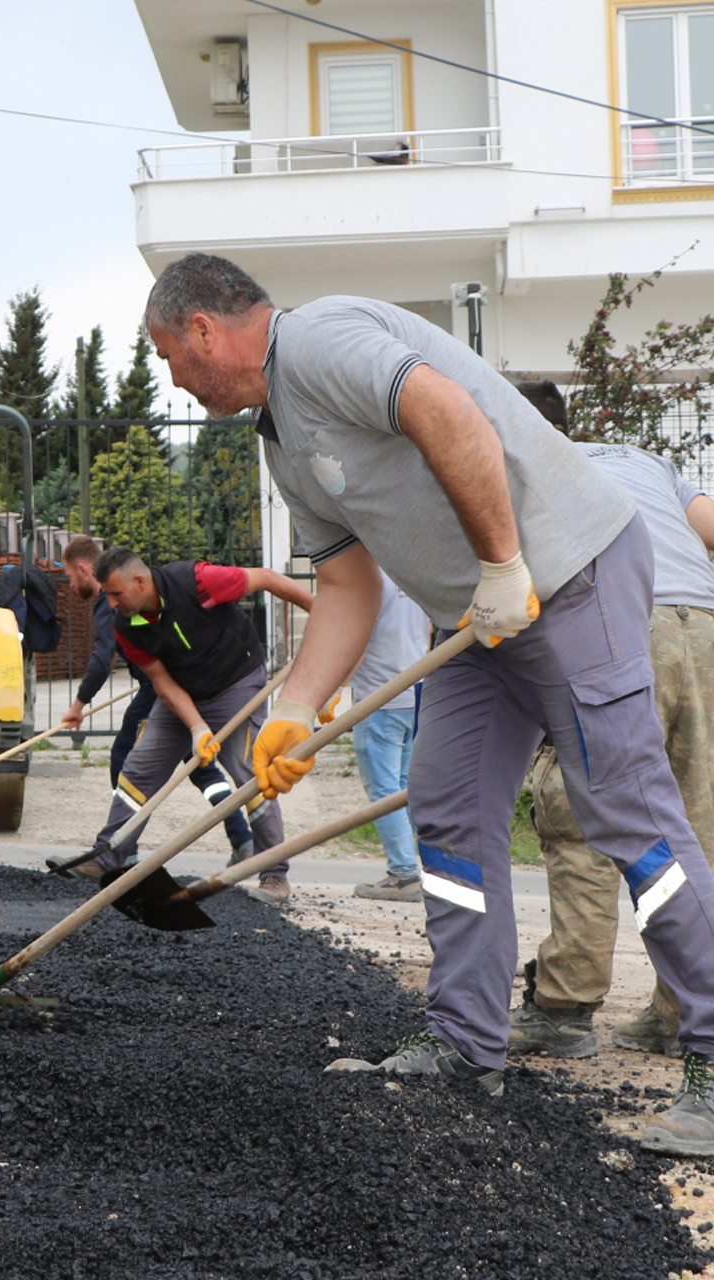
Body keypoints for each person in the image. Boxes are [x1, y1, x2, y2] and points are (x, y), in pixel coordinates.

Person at [143, 252, 714, 1154]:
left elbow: (448, 411)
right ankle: (465, 1042)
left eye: (170, 357)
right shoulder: (281, 433)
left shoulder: (321, 339)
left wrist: (501, 564)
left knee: (625, 810)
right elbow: (345, 581)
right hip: (480, 617)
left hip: (567, 574)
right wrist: (296, 708)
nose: (175, 378)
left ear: (202, 330)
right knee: (447, 816)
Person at [506, 382, 714, 1061]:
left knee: (579, 814)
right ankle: (683, 1011)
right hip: (705, 628)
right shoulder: (643, 460)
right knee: (692, 824)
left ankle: (564, 1008)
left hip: (622, 622)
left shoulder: (521, 467)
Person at [53, 544, 313, 905]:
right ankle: (107, 857)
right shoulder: (127, 625)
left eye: (115, 594)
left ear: (140, 582)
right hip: (182, 690)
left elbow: (267, 578)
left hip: (236, 682)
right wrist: (196, 727)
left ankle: (274, 875)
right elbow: (162, 681)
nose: (111, 604)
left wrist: (321, 615)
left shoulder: (199, 581)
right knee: (139, 769)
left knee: (250, 772)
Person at [54, 534, 255, 874]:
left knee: (126, 757)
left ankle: (121, 851)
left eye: (71, 576)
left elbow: (103, 659)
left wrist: (78, 704)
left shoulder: (111, 602)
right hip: (163, 684)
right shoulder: (123, 596)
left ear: (84, 568)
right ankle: (241, 837)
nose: (72, 584)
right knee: (200, 761)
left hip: (158, 690)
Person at [348, 570, 430, 902]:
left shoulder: (368, 579)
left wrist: (331, 692)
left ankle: (404, 874)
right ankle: (420, 870)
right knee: (404, 789)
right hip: (414, 694)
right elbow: (427, 631)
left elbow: (353, 639)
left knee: (385, 790)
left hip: (378, 698)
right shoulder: (414, 572)